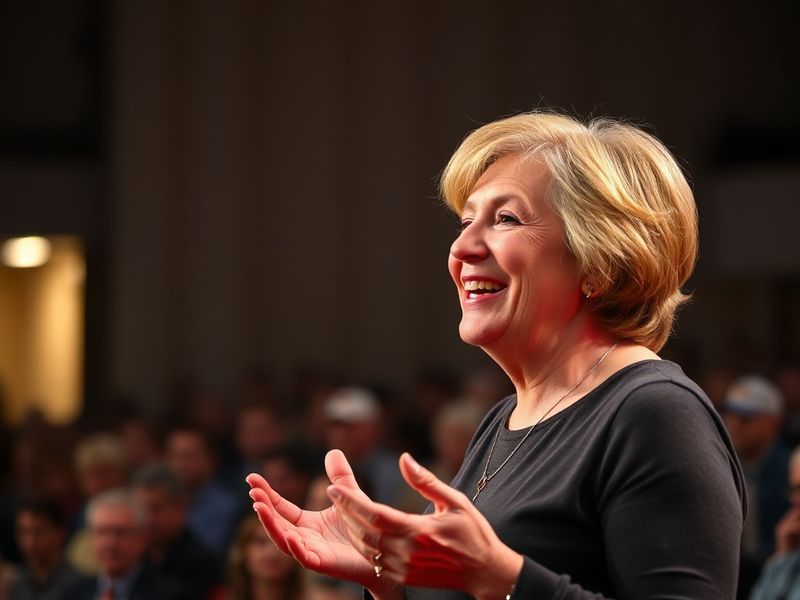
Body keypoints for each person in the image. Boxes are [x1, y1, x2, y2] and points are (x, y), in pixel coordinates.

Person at [247, 111, 746, 599]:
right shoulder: (501, 421)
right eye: (465, 221)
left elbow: (497, 577)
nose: (462, 247)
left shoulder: (656, 414)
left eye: (505, 218)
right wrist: (390, 581)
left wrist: (502, 577)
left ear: (600, 262)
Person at [723, 375, 790, 564]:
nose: (734, 424)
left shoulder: (790, 473)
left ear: (772, 423)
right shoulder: (724, 465)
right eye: (730, 415)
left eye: (745, 418)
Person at [131, 464, 222, 598]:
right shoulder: (135, 557)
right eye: (142, 509)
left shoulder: (202, 565)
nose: (148, 518)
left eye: (156, 509)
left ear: (181, 508)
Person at [9, 495, 82, 599]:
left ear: (60, 533)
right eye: (23, 532)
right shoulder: (16, 584)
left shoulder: (79, 585)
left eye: (39, 532)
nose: (30, 543)